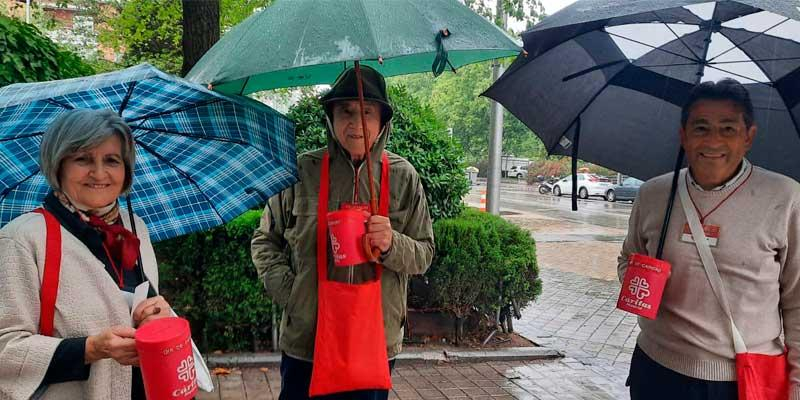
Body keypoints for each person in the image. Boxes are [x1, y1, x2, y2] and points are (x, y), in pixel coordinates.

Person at [252, 66, 434, 399]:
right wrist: (293, 294)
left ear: (382, 121)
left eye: (367, 112)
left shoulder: (402, 177)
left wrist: (392, 243)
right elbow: (265, 240)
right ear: (330, 117)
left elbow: (424, 254)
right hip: (307, 340)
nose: (356, 123)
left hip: (374, 340)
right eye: (345, 111)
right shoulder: (301, 171)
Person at [619, 78, 800, 399]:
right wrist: (642, 280)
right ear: (683, 136)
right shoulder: (654, 193)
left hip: (740, 379)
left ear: (749, 137)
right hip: (654, 366)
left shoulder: (785, 198)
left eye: (728, 128)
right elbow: (627, 258)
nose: (713, 140)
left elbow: (798, 301)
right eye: (701, 128)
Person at [0, 109, 173, 400]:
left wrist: (159, 315)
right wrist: (91, 348)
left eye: (111, 160)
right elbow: (6, 348)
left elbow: (141, 302)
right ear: (58, 166)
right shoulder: (23, 238)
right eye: (82, 159)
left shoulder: (135, 227)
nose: (99, 173)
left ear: (126, 170)